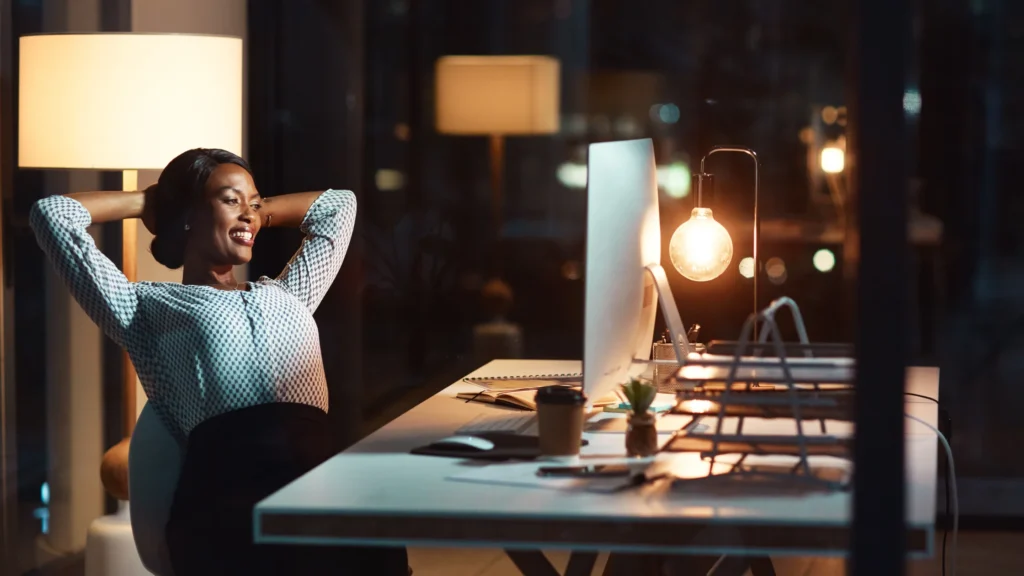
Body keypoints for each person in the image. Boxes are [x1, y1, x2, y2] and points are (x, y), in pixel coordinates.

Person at [30, 148, 409, 575]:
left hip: (317, 488)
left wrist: (249, 213)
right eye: (231, 199)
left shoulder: (289, 294)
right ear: (189, 213)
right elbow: (52, 215)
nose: (250, 214)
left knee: (382, 525)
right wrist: (152, 203)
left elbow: (339, 206)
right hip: (228, 507)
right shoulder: (145, 310)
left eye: (256, 203)